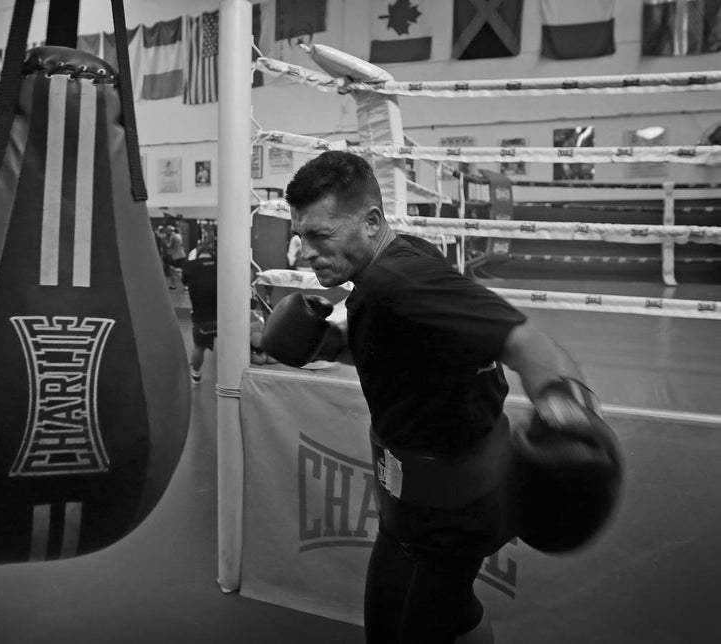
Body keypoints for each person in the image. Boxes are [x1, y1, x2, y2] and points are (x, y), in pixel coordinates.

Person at [263, 151, 609, 644]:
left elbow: (529, 343)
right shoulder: (393, 268)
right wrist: (324, 341)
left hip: (452, 512)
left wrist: (569, 415)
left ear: (372, 221)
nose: (305, 252)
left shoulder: (402, 280)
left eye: (320, 235)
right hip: (414, 504)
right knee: (443, 617)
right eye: (301, 237)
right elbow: (399, 346)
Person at [183, 238, 217, 383]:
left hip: (201, 318)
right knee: (230, 347)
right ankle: (233, 375)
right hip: (224, 316)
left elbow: (184, 282)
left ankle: (196, 374)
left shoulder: (189, 266)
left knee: (199, 347)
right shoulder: (220, 264)